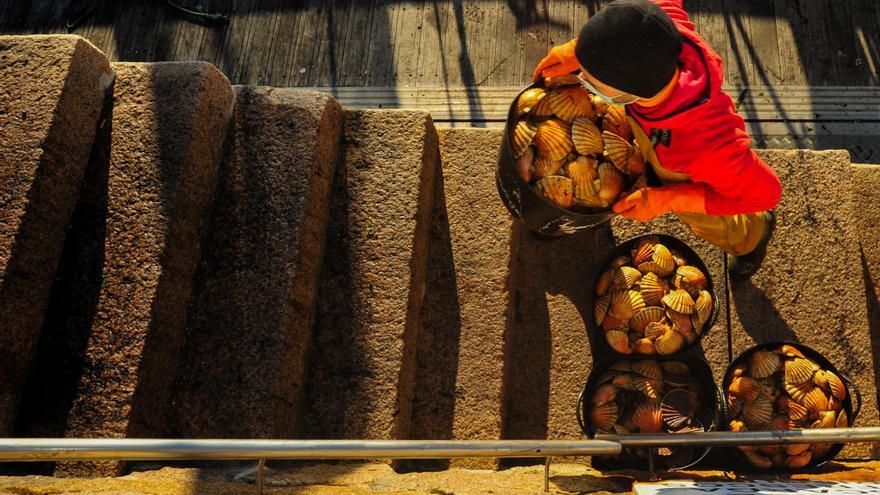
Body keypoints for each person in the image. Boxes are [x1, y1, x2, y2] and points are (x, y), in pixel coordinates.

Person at [533, 0, 781, 280]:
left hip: (697, 184)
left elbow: (767, 193)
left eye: (590, 79)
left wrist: (667, 199)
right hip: (655, 133)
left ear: (627, 91)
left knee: (724, 228)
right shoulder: (661, 26)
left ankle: (754, 239)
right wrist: (579, 49)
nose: (581, 77)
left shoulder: (710, 149)